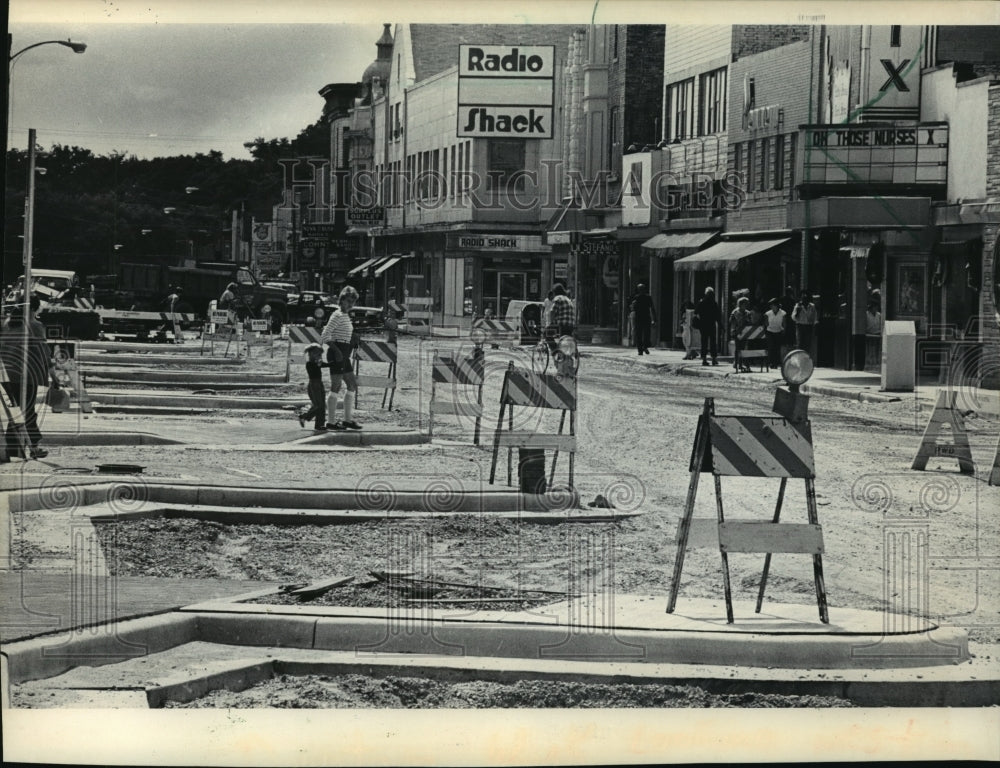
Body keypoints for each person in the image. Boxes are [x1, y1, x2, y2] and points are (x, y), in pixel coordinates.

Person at [1, 295, 60, 461]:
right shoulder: (35, 325)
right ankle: (33, 447)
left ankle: (14, 448)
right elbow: (44, 353)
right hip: (26, 375)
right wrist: (54, 377)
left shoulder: (7, 324)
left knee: (17, 411)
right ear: (34, 309)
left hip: (7, 375)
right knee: (27, 411)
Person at [321, 285, 361, 430]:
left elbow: (343, 334)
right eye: (348, 301)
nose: (350, 304)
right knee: (336, 386)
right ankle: (330, 422)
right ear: (342, 300)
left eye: (353, 302)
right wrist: (336, 350)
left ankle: (347, 420)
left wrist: (353, 337)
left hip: (344, 353)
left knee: (352, 384)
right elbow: (325, 335)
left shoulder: (345, 316)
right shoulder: (337, 315)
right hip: (337, 352)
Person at [296, 343, 330, 432]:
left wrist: (334, 364)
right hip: (314, 384)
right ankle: (304, 416)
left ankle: (320, 425)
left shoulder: (317, 363)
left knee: (322, 406)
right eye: (318, 354)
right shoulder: (309, 364)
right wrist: (318, 363)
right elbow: (315, 368)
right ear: (311, 354)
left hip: (319, 383)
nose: (319, 356)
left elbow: (325, 365)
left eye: (320, 355)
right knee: (318, 405)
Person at [695, 286, 721, 366]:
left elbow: (696, 312)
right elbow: (717, 315)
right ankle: (713, 359)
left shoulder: (701, 302)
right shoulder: (714, 303)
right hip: (711, 324)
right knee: (713, 342)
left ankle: (704, 359)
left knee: (704, 342)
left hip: (703, 324)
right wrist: (720, 324)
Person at [630, 283, 656, 355]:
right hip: (639, 317)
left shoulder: (648, 297)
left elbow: (652, 308)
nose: (641, 290)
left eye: (642, 289)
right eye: (640, 289)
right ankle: (640, 349)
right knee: (639, 334)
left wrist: (654, 319)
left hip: (645, 317)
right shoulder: (636, 297)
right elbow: (632, 308)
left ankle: (644, 347)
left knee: (646, 334)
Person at [728, 296, 753, 371]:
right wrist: (733, 331)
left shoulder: (747, 313)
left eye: (746, 304)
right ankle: (737, 363)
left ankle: (742, 363)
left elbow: (750, 322)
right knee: (738, 348)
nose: (746, 305)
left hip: (745, 332)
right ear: (740, 304)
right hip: (737, 332)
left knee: (744, 348)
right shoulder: (735, 312)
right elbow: (732, 322)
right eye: (744, 304)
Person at [792, 289, 818, 358]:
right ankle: (800, 358)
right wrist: (798, 311)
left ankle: (806, 358)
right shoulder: (797, 306)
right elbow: (793, 318)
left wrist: (815, 326)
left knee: (807, 344)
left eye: (806, 296)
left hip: (808, 326)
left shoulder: (812, 306)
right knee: (800, 343)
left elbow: (815, 317)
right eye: (803, 296)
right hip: (800, 326)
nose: (804, 298)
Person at [764, 297, 787, 369]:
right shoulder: (768, 313)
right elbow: (766, 323)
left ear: (777, 305)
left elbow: (784, 323)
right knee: (771, 347)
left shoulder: (783, 313)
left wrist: (783, 330)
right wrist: (769, 328)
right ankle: (770, 362)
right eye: (771, 305)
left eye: (773, 305)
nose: (771, 307)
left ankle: (776, 363)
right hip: (770, 332)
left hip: (778, 331)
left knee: (777, 348)